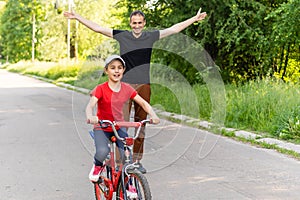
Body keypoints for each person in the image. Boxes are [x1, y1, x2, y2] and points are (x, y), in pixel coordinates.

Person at [65, 8, 207, 173]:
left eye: (140, 23)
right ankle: (119, 162)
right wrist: (77, 17)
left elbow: (174, 29)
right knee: (120, 125)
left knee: (141, 124)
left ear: (144, 23)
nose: (137, 26)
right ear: (130, 24)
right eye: (134, 23)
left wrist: (194, 18)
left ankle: (137, 161)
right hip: (123, 87)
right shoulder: (123, 35)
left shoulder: (150, 36)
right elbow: (98, 28)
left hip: (144, 86)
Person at [85, 54, 160, 182]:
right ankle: (97, 166)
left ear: (123, 70)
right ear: (106, 70)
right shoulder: (101, 89)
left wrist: (153, 115)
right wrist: (90, 116)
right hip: (102, 127)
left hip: (118, 127)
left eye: (120, 67)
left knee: (127, 157)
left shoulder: (127, 89)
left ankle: (130, 185)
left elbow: (142, 103)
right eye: (113, 68)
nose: (116, 70)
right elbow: (90, 106)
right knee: (102, 151)